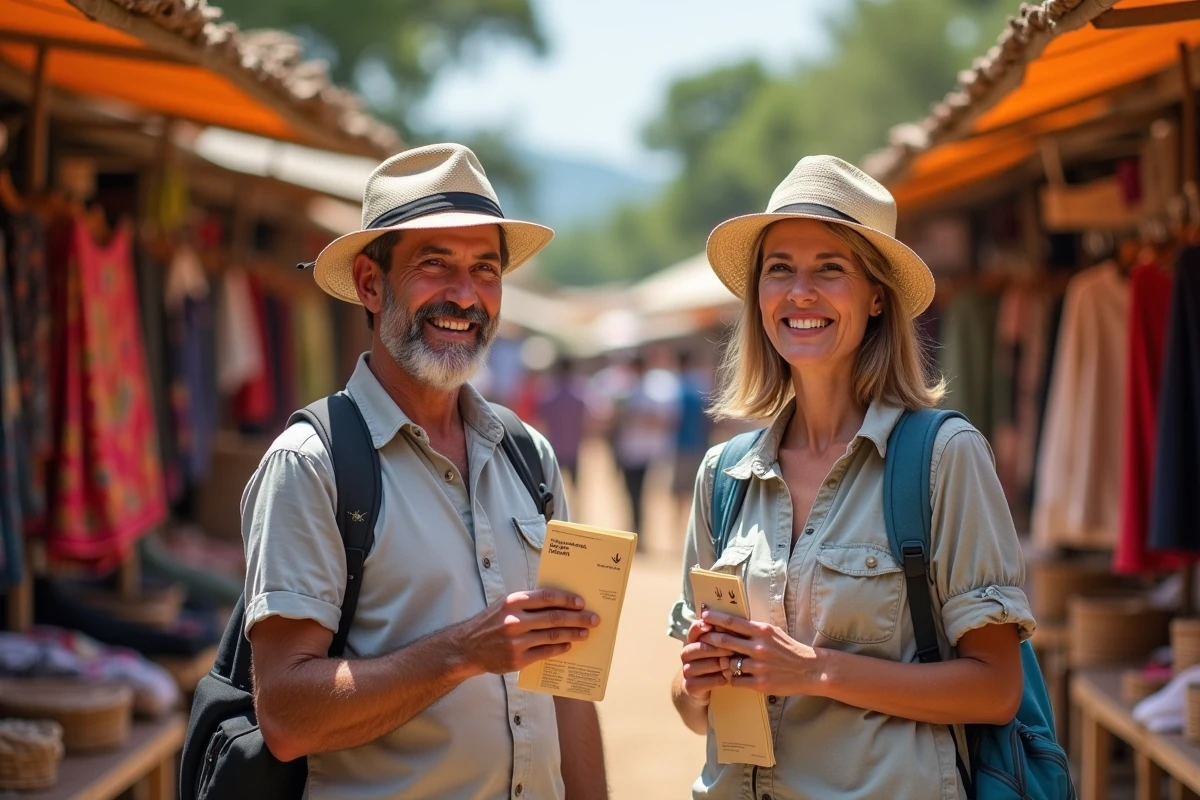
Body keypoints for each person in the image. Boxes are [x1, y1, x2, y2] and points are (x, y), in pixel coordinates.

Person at [243, 144, 607, 799]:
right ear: (370, 284)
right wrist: (465, 651)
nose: (464, 296)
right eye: (434, 265)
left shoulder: (531, 457)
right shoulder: (313, 467)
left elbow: (570, 683)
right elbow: (287, 717)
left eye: (485, 269)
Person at [667, 155, 1033, 799]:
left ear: (875, 298)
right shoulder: (723, 475)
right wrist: (697, 680)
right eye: (779, 269)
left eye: (829, 269)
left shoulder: (942, 457)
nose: (799, 292)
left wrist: (813, 670)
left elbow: (997, 690)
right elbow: (690, 707)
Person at [612, 353, 678, 539]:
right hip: (629, 449)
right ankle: (635, 527)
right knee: (630, 491)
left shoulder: (653, 392)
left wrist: (640, 418)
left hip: (646, 450)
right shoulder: (625, 392)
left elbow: (665, 420)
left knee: (642, 493)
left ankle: (640, 529)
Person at [671, 350, 712, 526]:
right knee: (700, 491)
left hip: (681, 445)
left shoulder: (677, 388)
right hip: (700, 444)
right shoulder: (700, 387)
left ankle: (679, 528)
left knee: (680, 491)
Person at [538, 358, 589, 487]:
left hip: (555, 445)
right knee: (574, 483)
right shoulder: (579, 395)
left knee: (554, 484)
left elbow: (542, 418)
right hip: (573, 445)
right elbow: (586, 420)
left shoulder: (549, 395)